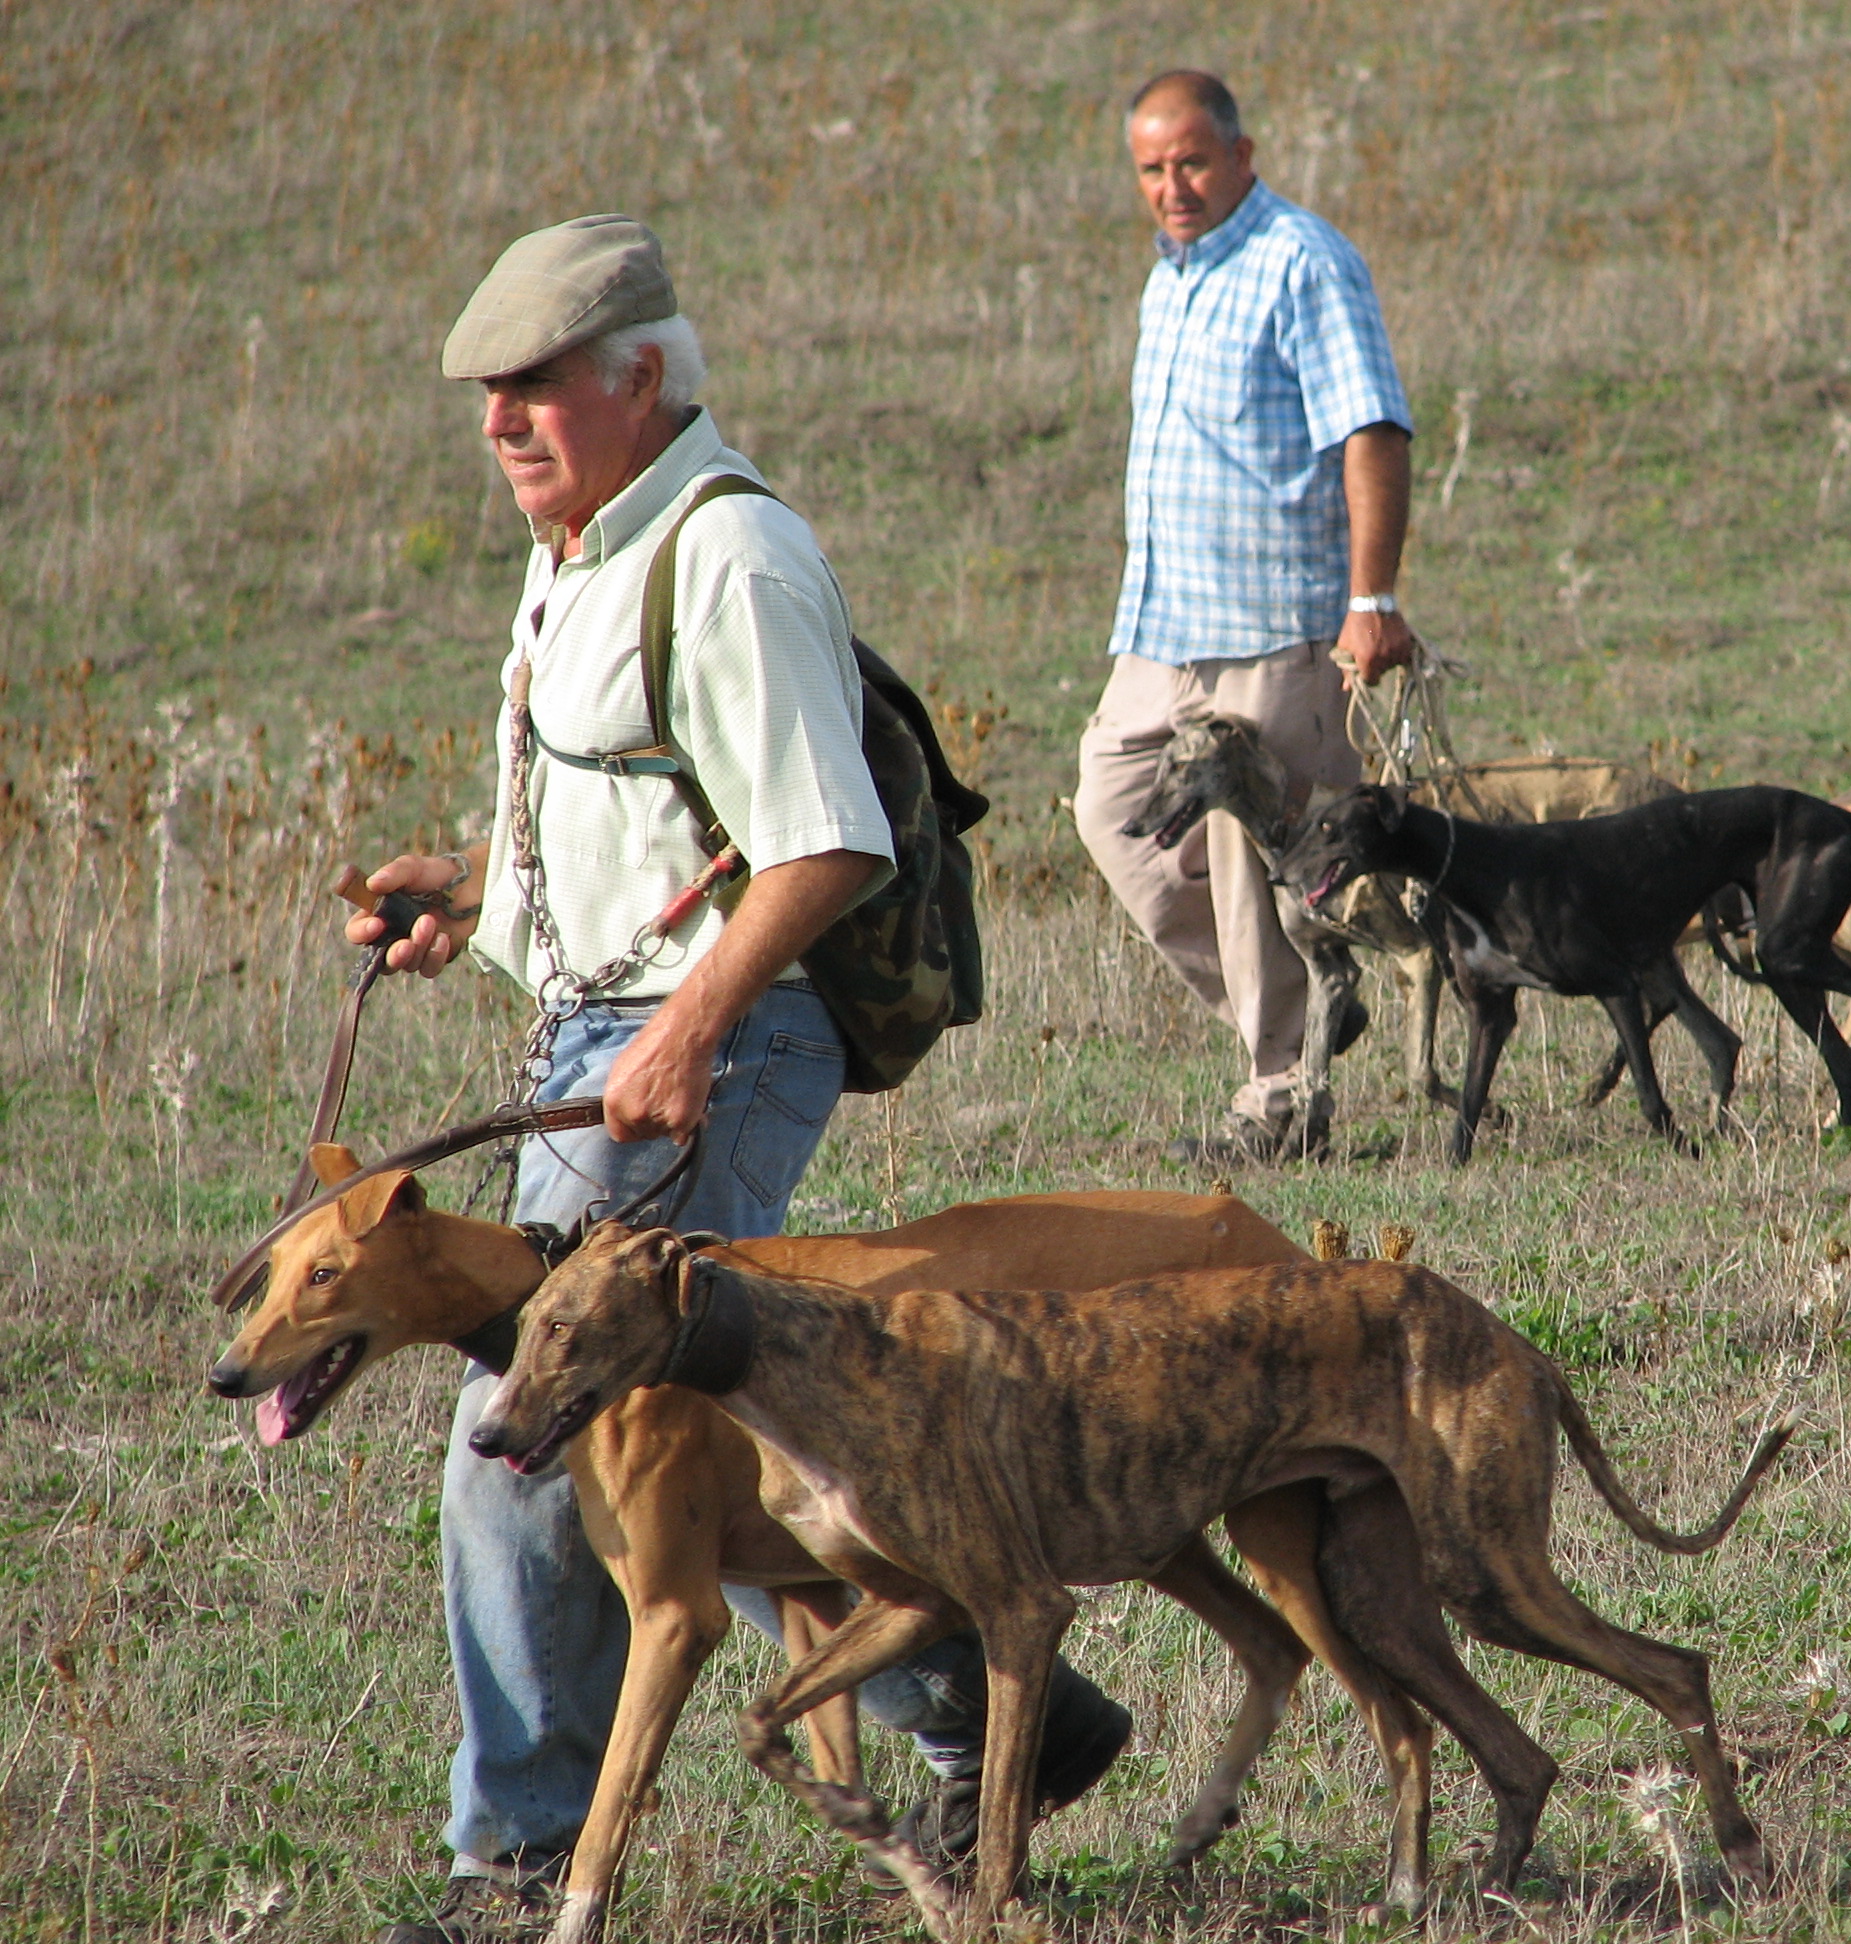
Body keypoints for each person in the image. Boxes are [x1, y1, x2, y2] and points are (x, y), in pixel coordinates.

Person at [356, 215, 1130, 1944]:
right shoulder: (579, 550)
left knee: (530, 1446)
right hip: (615, 1037)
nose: (503, 420)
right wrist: (473, 892)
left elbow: (824, 841)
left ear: (642, 377)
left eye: (537, 384)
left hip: (706, 1050)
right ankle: (997, 1693)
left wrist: (688, 1030)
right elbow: (652, 815)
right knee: (744, 1436)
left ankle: (513, 1867)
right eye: (490, 393)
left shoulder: (728, 556)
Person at [1072, 70, 1419, 1163]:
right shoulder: (1168, 278)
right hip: (1161, 627)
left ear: (1244, 154)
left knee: (1243, 857)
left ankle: (1278, 1097)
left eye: (1192, 162)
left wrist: (1372, 601)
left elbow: (1374, 433)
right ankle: (1317, 1002)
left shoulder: (1302, 262)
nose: (1172, 186)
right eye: (1151, 169)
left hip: (1277, 624)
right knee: (1110, 811)